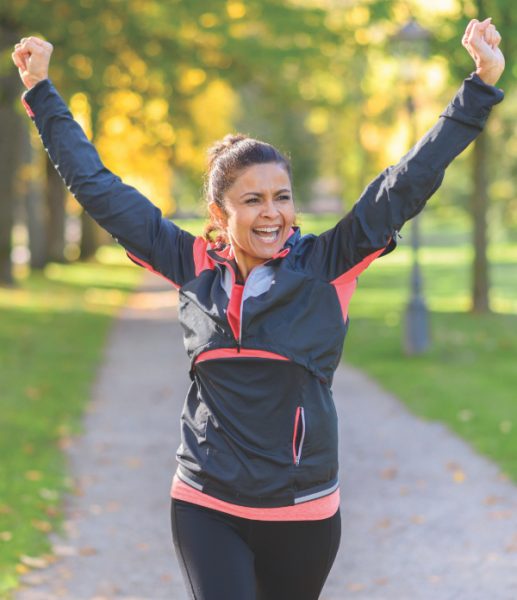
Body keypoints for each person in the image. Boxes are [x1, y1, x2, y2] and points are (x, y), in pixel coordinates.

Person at [12, 17, 505, 600]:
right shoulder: (190, 261)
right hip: (205, 501)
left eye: (282, 197)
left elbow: (404, 184)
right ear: (220, 215)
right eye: (253, 200)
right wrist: (42, 92)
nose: (272, 213)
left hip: (303, 509)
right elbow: (97, 187)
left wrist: (478, 88)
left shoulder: (328, 264)